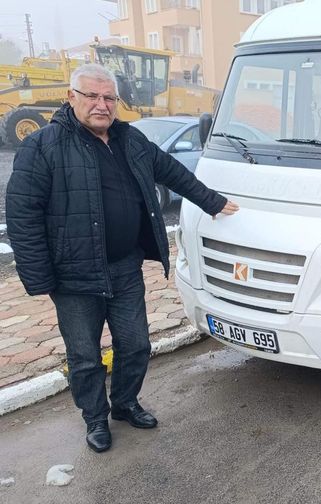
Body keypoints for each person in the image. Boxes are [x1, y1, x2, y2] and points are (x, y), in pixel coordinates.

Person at [6, 64, 239, 453]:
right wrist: (39, 277)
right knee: (84, 357)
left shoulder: (130, 140)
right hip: (73, 277)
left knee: (135, 345)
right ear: (72, 97)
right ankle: (95, 419)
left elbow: (173, 173)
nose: (101, 104)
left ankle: (125, 403)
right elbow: (22, 214)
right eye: (92, 96)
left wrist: (213, 202)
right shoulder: (43, 146)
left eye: (109, 97)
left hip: (124, 268)